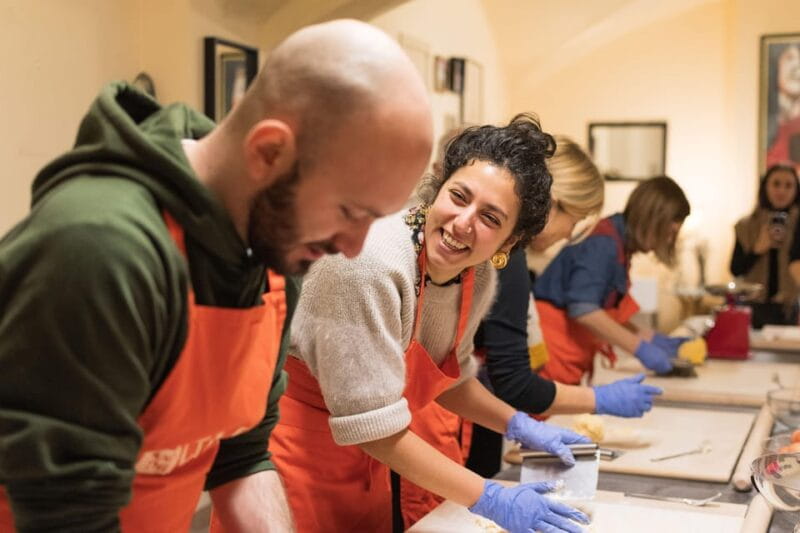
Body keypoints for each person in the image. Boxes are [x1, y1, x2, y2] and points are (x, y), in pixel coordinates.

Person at [0, 19, 433, 532]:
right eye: (349, 211)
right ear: (269, 151)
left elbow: (240, 455)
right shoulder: (102, 251)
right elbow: (65, 514)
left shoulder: (272, 255)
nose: (354, 246)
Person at [270, 115, 592, 533]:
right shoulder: (367, 265)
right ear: (438, 187)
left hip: (369, 461)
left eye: (491, 218)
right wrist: (489, 496)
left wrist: (518, 424)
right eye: (459, 196)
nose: (463, 222)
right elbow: (371, 426)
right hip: (295, 458)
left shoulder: (476, 275)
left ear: (510, 241)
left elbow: (448, 380)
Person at [402, 137, 663, 518]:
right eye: (575, 221)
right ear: (551, 204)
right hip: (418, 425)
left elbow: (451, 376)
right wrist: (598, 400)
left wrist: (517, 425)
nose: (568, 235)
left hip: (443, 412)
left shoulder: (487, 265)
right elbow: (512, 381)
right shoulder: (498, 256)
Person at [534, 176, 691, 386]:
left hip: (565, 353)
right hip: (552, 353)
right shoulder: (603, 243)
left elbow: (603, 310)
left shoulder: (617, 241)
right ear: (653, 218)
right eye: (670, 233)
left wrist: (648, 337)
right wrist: (639, 348)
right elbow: (584, 310)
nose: (669, 240)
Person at [732, 164, 800, 327]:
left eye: (788, 185)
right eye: (776, 184)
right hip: (754, 307)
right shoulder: (746, 226)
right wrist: (757, 250)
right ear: (765, 187)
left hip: (791, 308)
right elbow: (736, 269)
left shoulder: (799, 224)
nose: (782, 191)